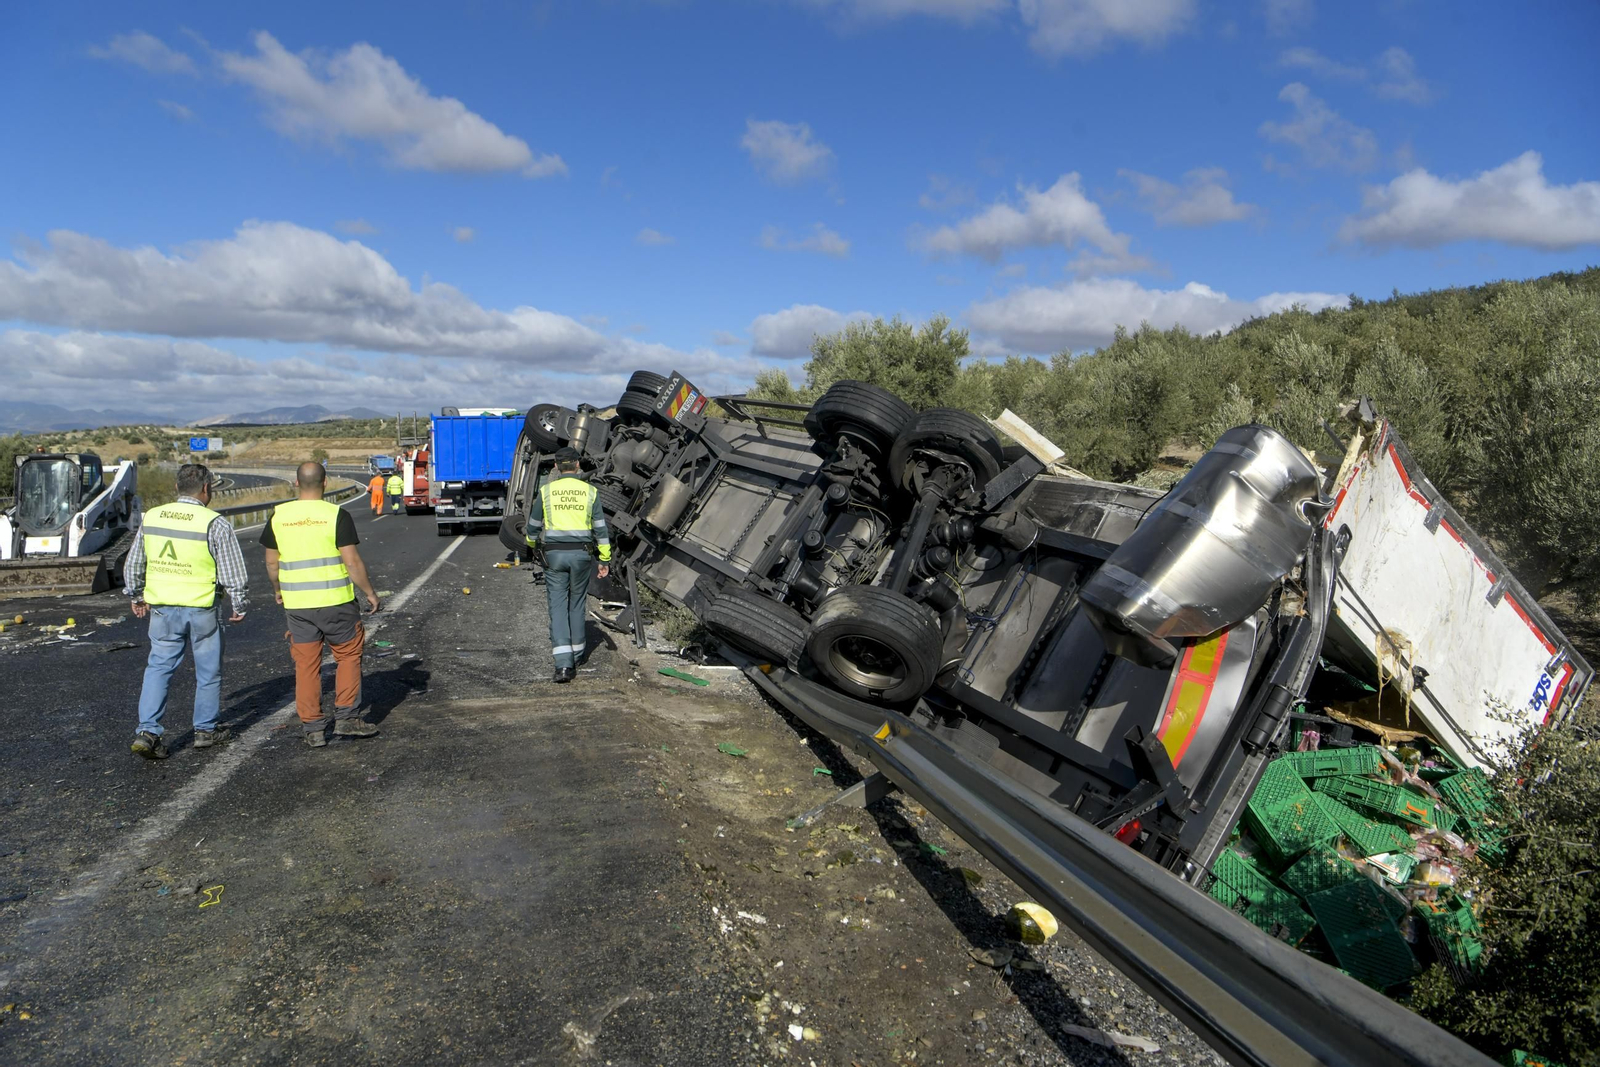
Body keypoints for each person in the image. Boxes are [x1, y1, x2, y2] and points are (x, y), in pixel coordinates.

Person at [126, 463, 248, 759]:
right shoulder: (214, 522)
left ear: (176, 488)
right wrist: (239, 602)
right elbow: (234, 572)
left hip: (163, 608)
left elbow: (134, 563)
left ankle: (148, 732)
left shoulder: (152, 517)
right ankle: (205, 729)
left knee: (159, 667)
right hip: (201, 607)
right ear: (206, 489)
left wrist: (136, 594)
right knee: (208, 672)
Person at [262, 462, 383, 748]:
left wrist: (278, 590)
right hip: (336, 603)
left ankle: (314, 728)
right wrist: (370, 593)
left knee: (306, 666)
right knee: (348, 657)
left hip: (298, 606)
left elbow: (271, 561)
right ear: (325, 483)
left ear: (296, 483)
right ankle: (347, 718)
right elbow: (351, 562)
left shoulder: (279, 516)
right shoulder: (336, 515)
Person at [525, 448, 610, 683]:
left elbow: (533, 526)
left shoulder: (546, 491)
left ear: (555, 465)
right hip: (582, 555)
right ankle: (578, 654)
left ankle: (563, 665)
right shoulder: (590, 492)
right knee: (577, 603)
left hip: (554, 556)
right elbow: (601, 529)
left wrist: (531, 544)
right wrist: (604, 559)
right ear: (578, 465)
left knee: (558, 605)